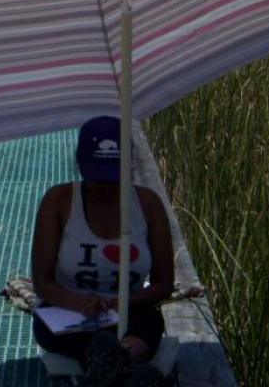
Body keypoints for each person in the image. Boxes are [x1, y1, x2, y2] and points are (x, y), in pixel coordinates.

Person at [31, 116, 175, 385]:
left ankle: (115, 363)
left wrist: (124, 302)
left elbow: (164, 283)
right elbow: (42, 283)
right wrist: (80, 304)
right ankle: (121, 366)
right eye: (97, 177)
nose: (105, 187)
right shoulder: (58, 202)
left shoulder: (148, 205)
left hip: (130, 309)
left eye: (113, 178)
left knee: (150, 323)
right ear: (80, 164)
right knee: (53, 329)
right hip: (70, 311)